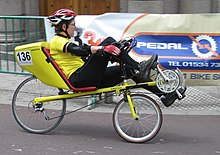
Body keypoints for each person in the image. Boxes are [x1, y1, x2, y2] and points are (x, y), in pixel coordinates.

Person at [47, 8, 186, 107]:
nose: (75, 27)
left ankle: (164, 95)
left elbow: (85, 57)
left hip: (87, 76)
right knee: (108, 42)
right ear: (64, 26)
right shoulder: (57, 40)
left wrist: (111, 55)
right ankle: (139, 66)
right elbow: (78, 50)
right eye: (72, 25)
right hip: (78, 79)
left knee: (127, 69)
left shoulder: (64, 40)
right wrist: (103, 49)